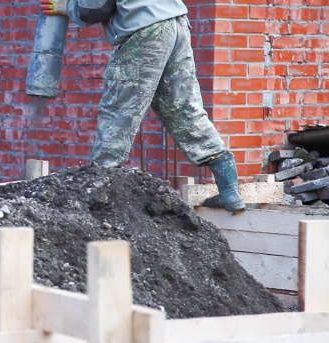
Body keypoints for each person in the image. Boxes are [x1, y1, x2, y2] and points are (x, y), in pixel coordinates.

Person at [38, 0, 246, 212]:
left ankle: (99, 188)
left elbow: (97, 8)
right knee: (184, 109)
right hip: (176, 25)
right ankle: (230, 190)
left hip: (145, 31)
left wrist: (67, 6)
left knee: (119, 109)